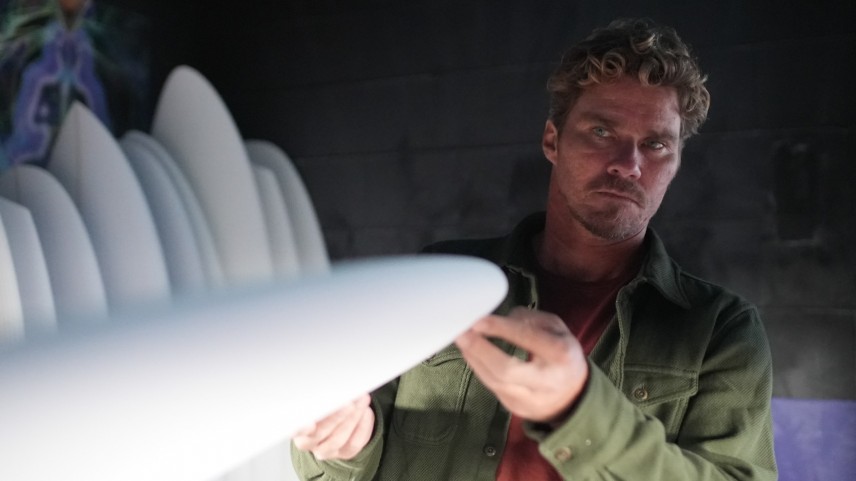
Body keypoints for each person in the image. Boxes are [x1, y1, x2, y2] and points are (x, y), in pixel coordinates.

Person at [290, 17, 777, 481]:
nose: (628, 164)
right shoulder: (438, 280)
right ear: (552, 140)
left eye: (656, 145)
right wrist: (343, 442)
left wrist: (579, 407)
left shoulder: (720, 329)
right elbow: (347, 450)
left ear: (676, 164)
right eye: (602, 131)